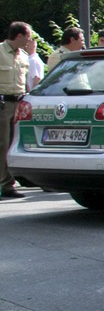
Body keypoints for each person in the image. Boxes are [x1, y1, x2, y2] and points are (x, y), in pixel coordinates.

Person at [1, 21, 33, 198]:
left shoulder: (23, 56)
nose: (30, 40)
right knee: (2, 145)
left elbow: (26, 82)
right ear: (19, 36)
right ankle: (4, 184)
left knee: (14, 144)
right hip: (3, 104)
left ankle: (8, 184)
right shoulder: (0, 51)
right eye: (28, 36)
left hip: (19, 104)